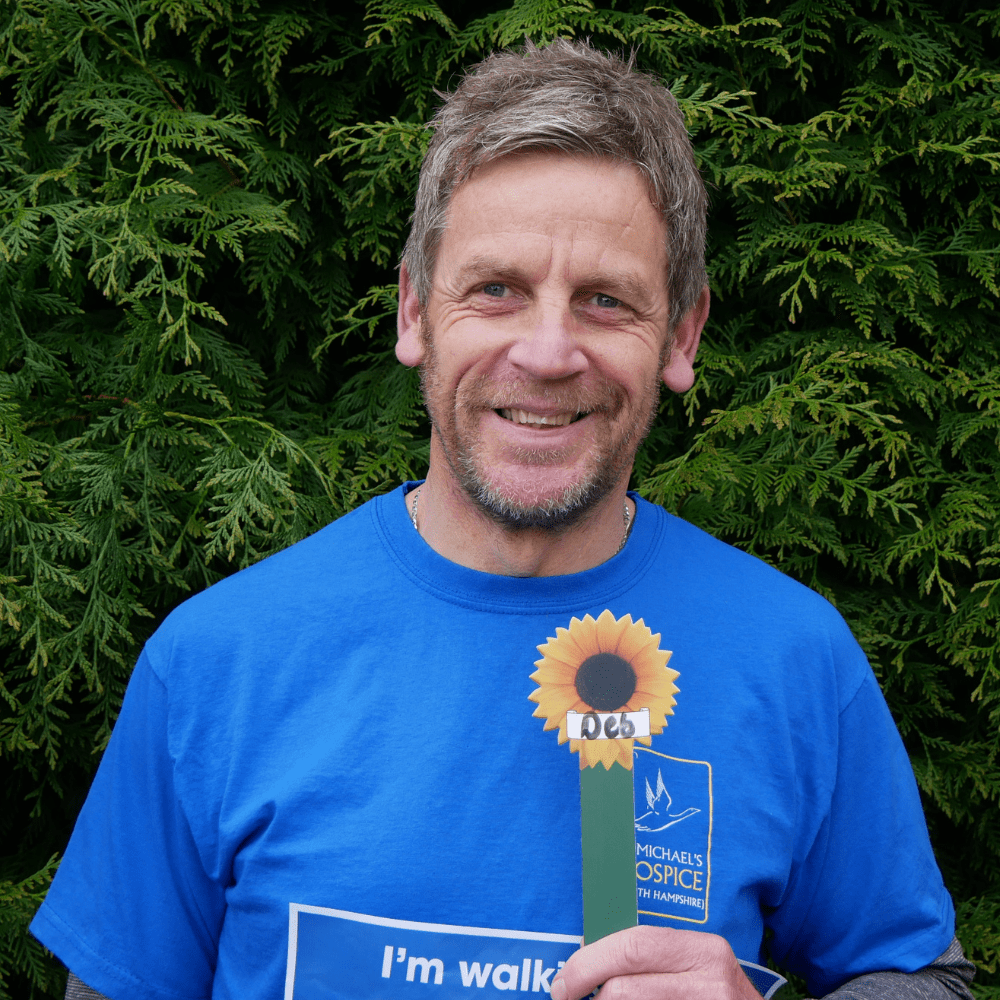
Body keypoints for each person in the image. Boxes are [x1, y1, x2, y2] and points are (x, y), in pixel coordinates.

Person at [33, 40, 974, 1000]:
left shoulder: (795, 656)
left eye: (606, 301)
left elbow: (923, 981)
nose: (549, 350)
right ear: (413, 313)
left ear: (681, 336)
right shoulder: (215, 663)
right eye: (497, 290)